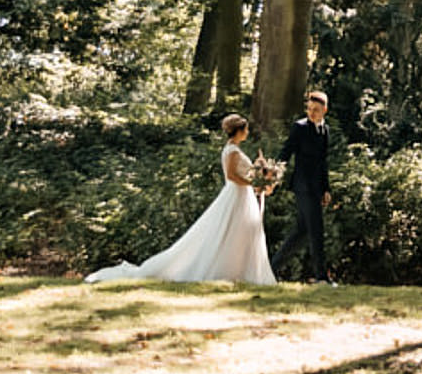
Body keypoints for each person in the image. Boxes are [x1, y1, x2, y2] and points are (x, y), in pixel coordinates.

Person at [86, 114, 276, 284]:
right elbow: (233, 176)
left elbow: (243, 174)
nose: (248, 132)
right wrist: (252, 184)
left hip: (241, 195)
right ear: (239, 131)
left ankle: (240, 270)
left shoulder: (232, 149)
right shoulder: (232, 151)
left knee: (240, 232)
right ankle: (227, 269)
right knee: (230, 231)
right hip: (237, 195)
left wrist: (259, 171)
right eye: (246, 129)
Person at [273, 89, 334, 283]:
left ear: (324, 110)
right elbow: (286, 151)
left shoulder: (325, 130)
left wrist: (326, 189)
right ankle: (321, 277)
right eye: (309, 109)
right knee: (316, 230)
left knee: (302, 231)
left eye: (316, 110)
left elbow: (323, 162)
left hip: (317, 188)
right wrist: (273, 172)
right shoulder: (299, 128)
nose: (311, 113)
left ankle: (270, 268)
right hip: (303, 186)